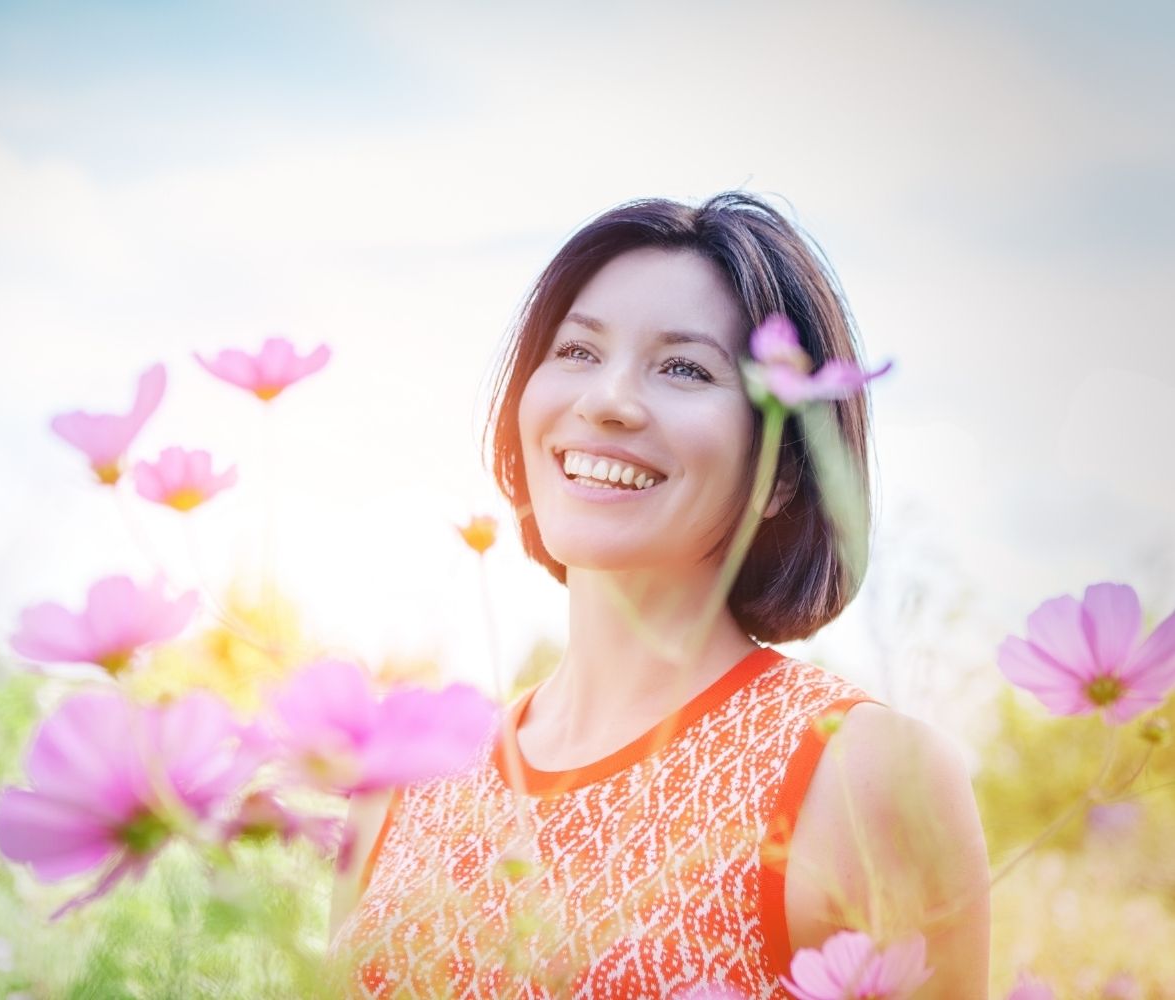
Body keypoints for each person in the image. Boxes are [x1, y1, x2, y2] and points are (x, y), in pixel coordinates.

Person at [329, 194, 990, 998]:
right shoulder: (404, 784)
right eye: (576, 351)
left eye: (685, 367)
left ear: (782, 470)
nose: (607, 399)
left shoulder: (866, 773)